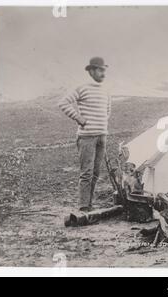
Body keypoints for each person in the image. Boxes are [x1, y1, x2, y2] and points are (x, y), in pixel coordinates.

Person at [58, 57, 111, 212]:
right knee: (86, 172)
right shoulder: (81, 87)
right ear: (92, 71)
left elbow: (108, 110)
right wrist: (79, 118)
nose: (103, 73)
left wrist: (101, 125)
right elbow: (63, 103)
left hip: (102, 136)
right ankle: (83, 207)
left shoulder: (106, 89)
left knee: (96, 172)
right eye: (100, 70)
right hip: (87, 137)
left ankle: (89, 203)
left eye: (104, 70)